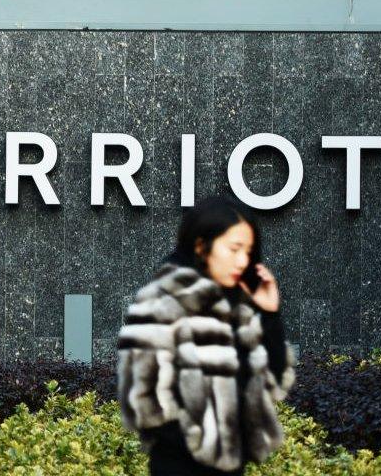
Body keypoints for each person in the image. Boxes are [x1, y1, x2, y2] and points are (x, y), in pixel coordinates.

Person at [116, 195, 296, 476]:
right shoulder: (163, 301)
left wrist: (270, 314)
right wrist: (204, 444)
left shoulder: (238, 307)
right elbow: (144, 400)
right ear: (201, 246)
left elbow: (271, 383)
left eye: (248, 251)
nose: (243, 260)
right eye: (234, 249)